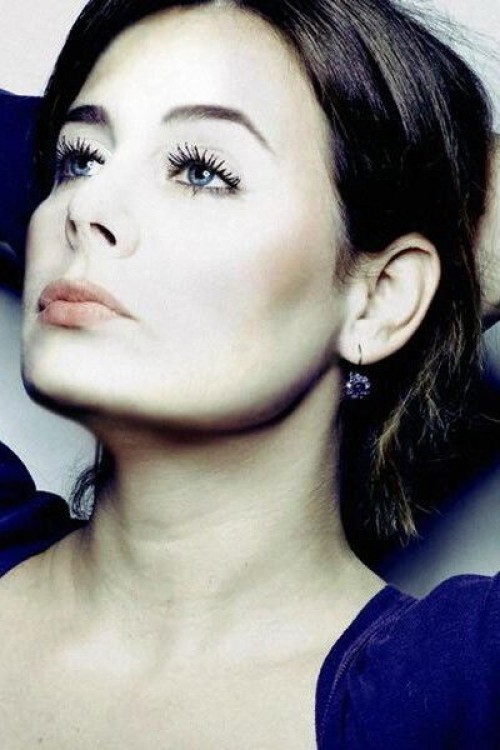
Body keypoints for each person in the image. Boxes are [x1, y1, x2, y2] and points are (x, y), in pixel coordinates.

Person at [0, 0, 498, 747]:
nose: (84, 207)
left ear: (382, 299)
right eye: (79, 159)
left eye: (202, 172)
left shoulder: (458, 688)